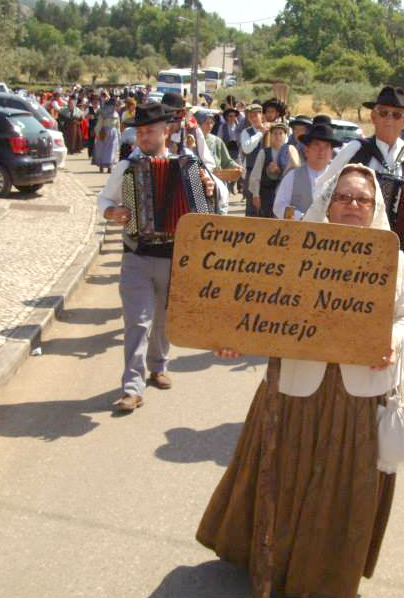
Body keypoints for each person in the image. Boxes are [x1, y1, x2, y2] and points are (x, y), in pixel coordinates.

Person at [197, 163, 404, 598]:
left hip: (360, 396)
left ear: (374, 206)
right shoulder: (295, 251)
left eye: (362, 199)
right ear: (328, 202)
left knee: (343, 492)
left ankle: (322, 578)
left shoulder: (392, 258)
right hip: (296, 387)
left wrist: (392, 340)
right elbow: (257, 304)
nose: (352, 206)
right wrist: (232, 339)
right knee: (282, 475)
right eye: (343, 197)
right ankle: (268, 562)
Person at [97, 102, 220, 413]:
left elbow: (211, 203)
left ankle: (158, 365)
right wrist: (113, 212)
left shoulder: (188, 164)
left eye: (149, 131)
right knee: (137, 322)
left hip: (175, 257)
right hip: (137, 254)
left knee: (164, 320)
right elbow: (104, 200)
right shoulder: (127, 168)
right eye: (139, 132)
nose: (143, 137)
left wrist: (210, 187)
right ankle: (132, 387)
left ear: (166, 131)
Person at [321, 86, 404, 188]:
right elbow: (323, 187)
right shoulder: (354, 149)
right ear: (373, 117)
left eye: (397, 115)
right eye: (383, 113)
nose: (389, 119)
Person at [273, 117, 336, 220]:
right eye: (316, 145)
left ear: (331, 152)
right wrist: (301, 217)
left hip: (331, 234)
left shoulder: (339, 178)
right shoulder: (292, 176)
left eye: (326, 146)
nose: (321, 151)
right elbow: (279, 206)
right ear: (307, 150)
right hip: (298, 233)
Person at [247, 122, 295, 218]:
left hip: (282, 194)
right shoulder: (264, 152)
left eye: (281, 133)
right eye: (275, 133)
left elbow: (292, 174)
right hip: (265, 194)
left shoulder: (289, 152)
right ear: (271, 136)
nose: (278, 136)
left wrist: (279, 171)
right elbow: (255, 176)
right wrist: (256, 195)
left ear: (286, 136)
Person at [92, 96, 120, 173]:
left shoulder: (116, 114)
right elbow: (99, 125)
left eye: (115, 105)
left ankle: (110, 167)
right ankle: (101, 166)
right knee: (101, 149)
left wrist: (119, 135)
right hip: (103, 132)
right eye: (113, 105)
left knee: (112, 149)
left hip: (113, 133)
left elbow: (118, 126)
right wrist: (97, 134)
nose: (114, 107)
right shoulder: (103, 113)